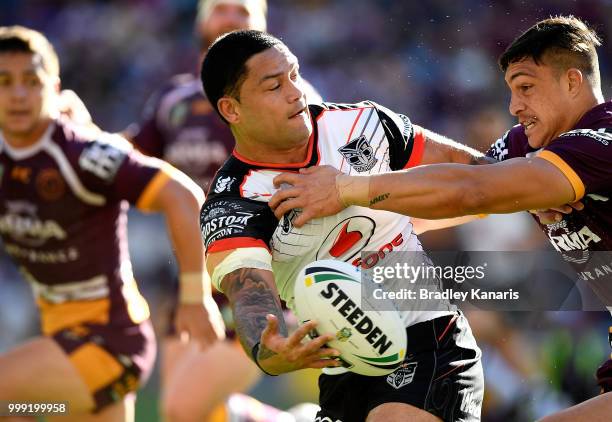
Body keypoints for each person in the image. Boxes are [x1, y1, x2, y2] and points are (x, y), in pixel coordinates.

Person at [269, 15, 612, 420]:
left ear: (572, 82)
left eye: (526, 88)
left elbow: (469, 190)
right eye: (512, 91)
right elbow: (457, 196)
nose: (514, 106)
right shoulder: (530, 146)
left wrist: (345, 188)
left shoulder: (599, 144)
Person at [200, 29, 486, 422]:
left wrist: (354, 190)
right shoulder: (234, 201)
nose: (295, 92)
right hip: (342, 370)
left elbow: (475, 176)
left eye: (294, 75)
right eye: (273, 86)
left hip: (429, 340)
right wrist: (273, 351)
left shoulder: (363, 125)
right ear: (231, 109)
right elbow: (249, 294)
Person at [0, 25, 223, 422]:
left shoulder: (82, 154)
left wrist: (194, 295)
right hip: (64, 346)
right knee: (17, 407)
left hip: (110, 344)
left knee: (8, 400)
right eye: (4, 82)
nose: (17, 94)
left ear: (53, 88)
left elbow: (183, 196)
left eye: (31, 81)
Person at [126, 1, 320, 420]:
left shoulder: (292, 99)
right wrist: (74, 129)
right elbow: (125, 160)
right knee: (191, 413)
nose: (230, 17)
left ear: (263, 26)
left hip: (264, 281)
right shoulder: (172, 101)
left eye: (243, 10)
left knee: (182, 408)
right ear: (200, 21)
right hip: (197, 286)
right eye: (220, 8)